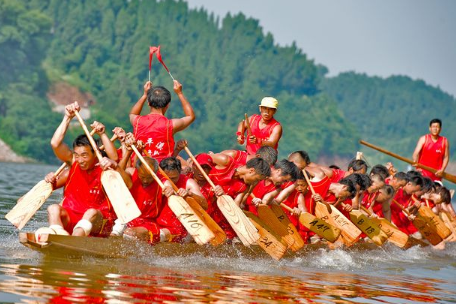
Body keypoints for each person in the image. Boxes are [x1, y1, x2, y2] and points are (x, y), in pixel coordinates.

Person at [38, 102, 119, 240]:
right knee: (53, 208)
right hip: (72, 217)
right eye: (77, 155)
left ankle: (73, 241)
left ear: (95, 154)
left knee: (91, 212)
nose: (80, 160)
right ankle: (58, 235)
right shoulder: (74, 165)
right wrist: (67, 117)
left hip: (98, 222)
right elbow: (55, 144)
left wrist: (103, 134)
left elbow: (115, 158)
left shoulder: (105, 168)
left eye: (84, 155)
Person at [129, 80, 195, 162]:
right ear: (168, 105)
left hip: (139, 167)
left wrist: (145, 95)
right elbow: (190, 116)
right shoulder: (170, 125)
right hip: (163, 170)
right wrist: (180, 93)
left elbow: (132, 114)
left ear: (149, 103)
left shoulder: (137, 121)